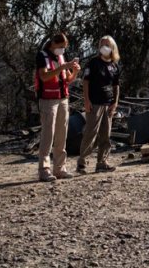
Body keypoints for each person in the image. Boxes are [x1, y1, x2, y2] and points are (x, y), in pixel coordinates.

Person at [36, 32, 81, 182]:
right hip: (48, 100)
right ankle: (44, 169)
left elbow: (68, 79)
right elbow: (44, 76)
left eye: (64, 47)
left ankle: (60, 168)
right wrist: (62, 67)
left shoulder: (60, 57)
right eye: (61, 46)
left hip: (63, 99)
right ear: (53, 43)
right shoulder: (42, 56)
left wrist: (74, 71)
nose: (62, 49)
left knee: (62, 134)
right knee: (48, 134)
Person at [77, 35, 121, 174]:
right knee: (90, 133)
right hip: (94, 103)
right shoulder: (93, 63)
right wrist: (86, 100)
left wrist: (115, 102)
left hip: (108, 104)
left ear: (112, 47)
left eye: (107, 44)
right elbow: (86, 82)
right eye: (102, 44)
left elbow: (116, 85)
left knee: (105, 135)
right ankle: (82, 163)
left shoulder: (114, 65)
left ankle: (102, 162)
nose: (104, 47)